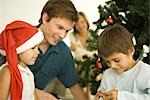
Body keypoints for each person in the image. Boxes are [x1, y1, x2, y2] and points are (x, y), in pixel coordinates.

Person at [28, 0, 87, 100]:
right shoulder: (17, 37)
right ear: (45, 18)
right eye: (59, 27)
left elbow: (75, 87)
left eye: (67, 31)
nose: (62, 35)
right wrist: (40, 94)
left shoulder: (63, 53)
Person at [96, 23, 150, 100]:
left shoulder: (146, 72)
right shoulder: (107, 75)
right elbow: (101, 95)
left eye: (116, 60)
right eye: (107, 62)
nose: (112, 66)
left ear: (131, 51)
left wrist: (121, 97)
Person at [0, 20, 44, 100]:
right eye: (33, 48)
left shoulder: (28, 73)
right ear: (18, 49)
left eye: (38, 47)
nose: (37, 52)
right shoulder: (7, 72)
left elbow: (34, 97)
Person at [69, 11, 97, 100]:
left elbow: (95, 55)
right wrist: (86, 54)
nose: (80, 26)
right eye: (77, 24)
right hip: (79, 66)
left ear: (86, 21)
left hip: (93, 66)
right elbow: (78, 56)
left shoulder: (93, 35)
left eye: (82, 22)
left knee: (90, 83)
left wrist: (77, 49)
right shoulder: (72, 35)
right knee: (80, 89)